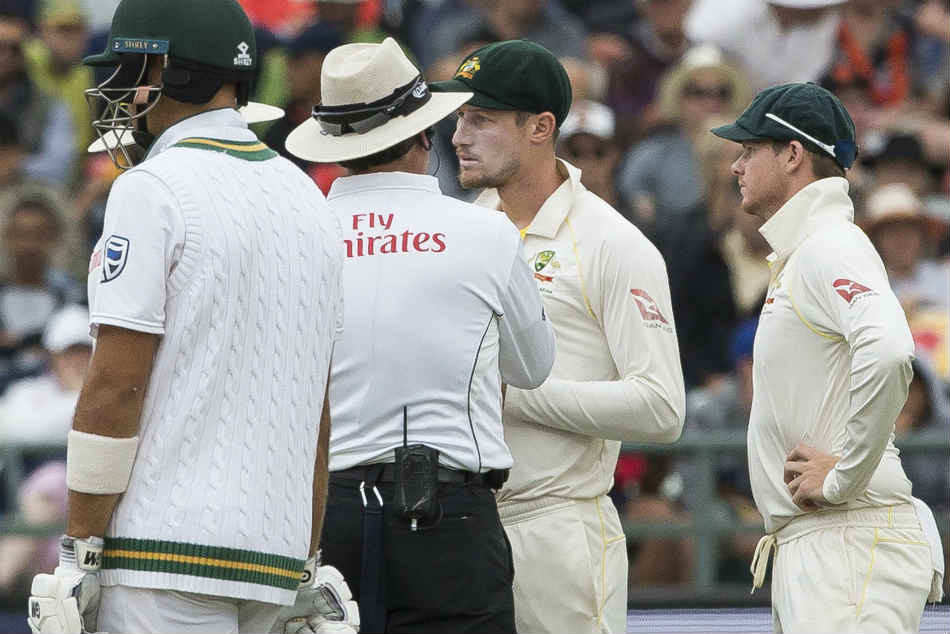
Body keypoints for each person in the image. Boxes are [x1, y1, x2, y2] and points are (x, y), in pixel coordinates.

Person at [26, 1, 356, 633]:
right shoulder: (310, 198)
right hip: (276, 556)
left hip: (161, 556)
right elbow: (318, 407)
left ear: (176, 75)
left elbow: (115, 383)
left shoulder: (151, 187)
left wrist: (79, 549)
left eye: (134, 68)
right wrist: (307, 559)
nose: (122, 89)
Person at [285, 37, 556, 634]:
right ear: (424, 135)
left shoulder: (294, 237)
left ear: (336, 145)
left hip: (317, 515)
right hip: (448, 517)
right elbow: (533, 370)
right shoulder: (486, 233)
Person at [433, 40, 686, 634]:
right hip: (460, 527)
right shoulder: (465, 228)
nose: (459, 136)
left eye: (482, 119)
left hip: (559, 532)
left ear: (541, 127)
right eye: (459, 118)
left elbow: (662, 408)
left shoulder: (613, 243)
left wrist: (516, 396)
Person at [710, 81, 944, 632]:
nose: (736, 167)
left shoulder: (828, 245)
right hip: (832, 544)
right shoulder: (810, 250)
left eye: (749, 150)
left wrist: (843, 478)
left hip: (847, 539)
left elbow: (888, 351)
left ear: (792, 155)